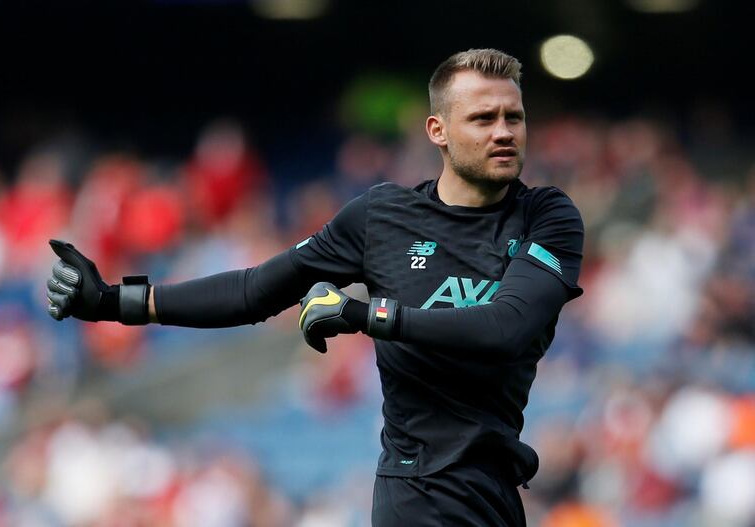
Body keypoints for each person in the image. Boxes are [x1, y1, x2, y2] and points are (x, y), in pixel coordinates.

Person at [47, 48, 584, 526]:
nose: (504, 131)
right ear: (437, 130)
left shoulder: (548, 216)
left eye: (514, 116)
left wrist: (366, 317)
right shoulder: (382, 217)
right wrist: (116, 302)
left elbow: (506, 328)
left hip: (496, 493)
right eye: (483, 118)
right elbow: (256, 290)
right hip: (416, 492)